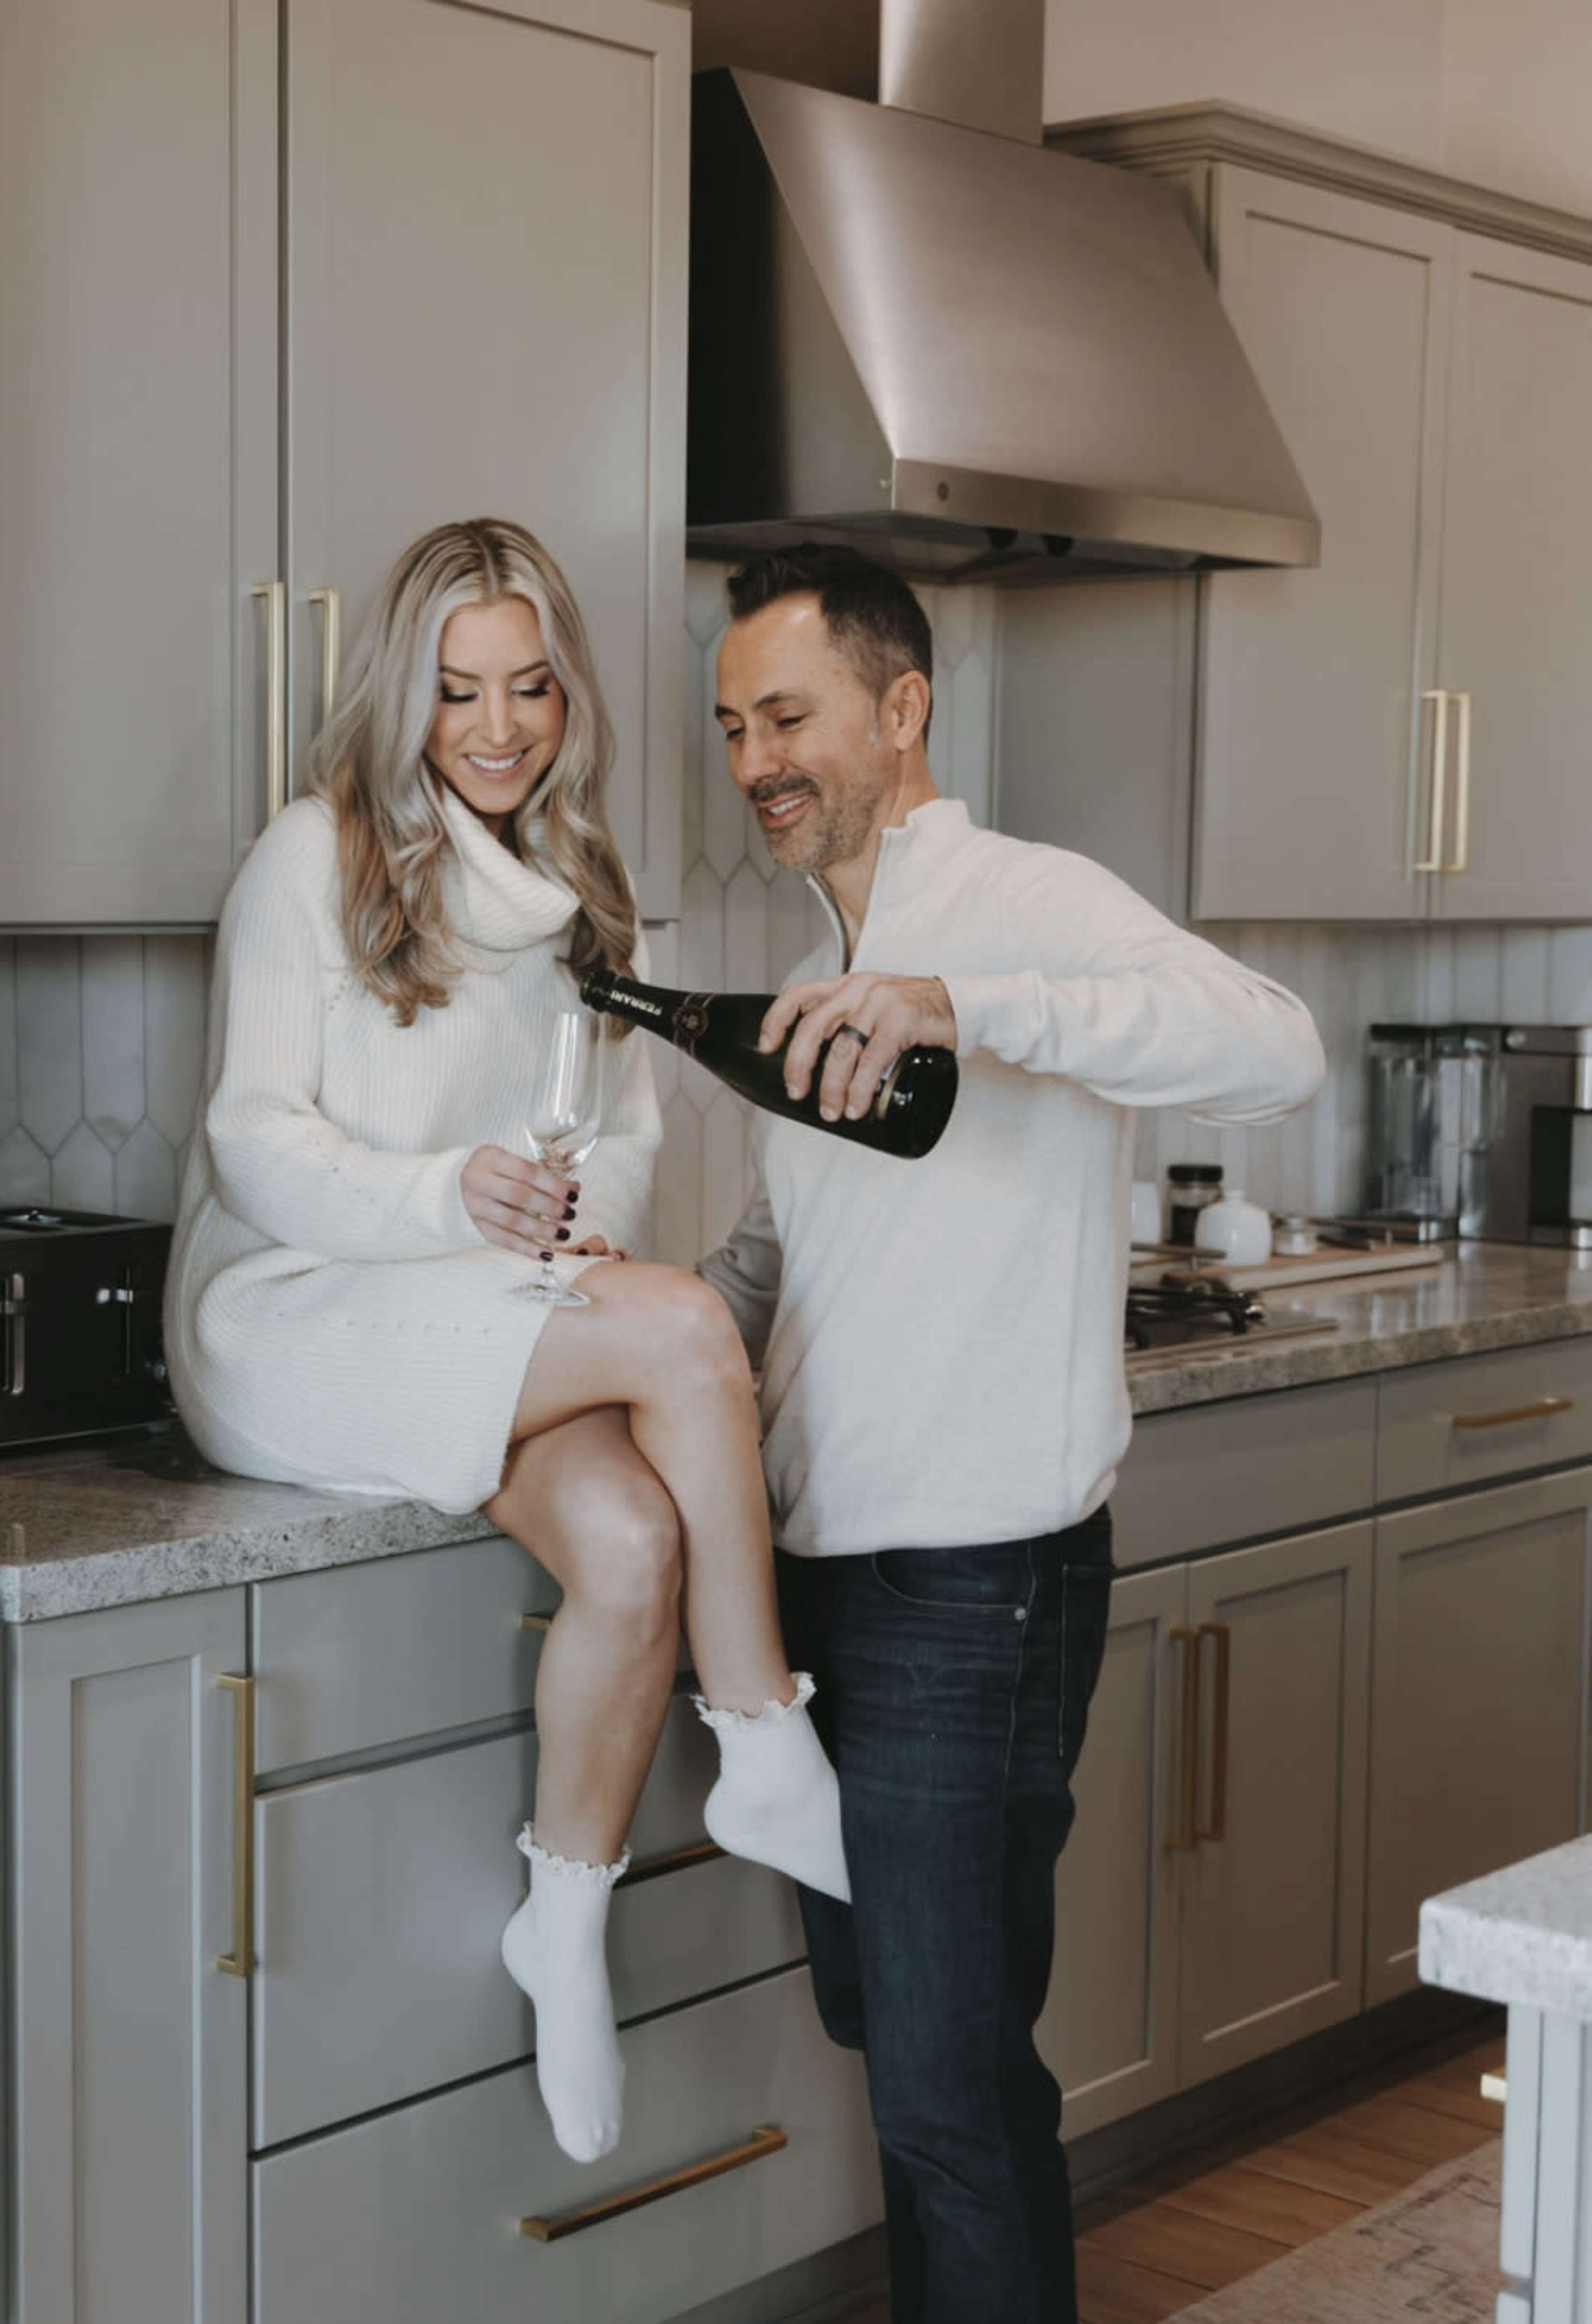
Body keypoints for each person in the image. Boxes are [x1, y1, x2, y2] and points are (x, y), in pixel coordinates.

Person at [162, 518, 849, 2168]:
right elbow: (253, 1141)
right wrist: (448, 1196)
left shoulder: (578, 883)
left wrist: (571, 1211)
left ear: (566, 695)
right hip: (290, 1307)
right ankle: (761, 1733)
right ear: (405, 694)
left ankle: (564, 1923)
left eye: (529, 686)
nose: (496, 725)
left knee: (628, 1537)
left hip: (478, 1296)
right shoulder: (309, 859)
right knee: (687, 1328)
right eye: (460, 690)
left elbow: (615, 1127)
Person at [695, 544, 1326, 2323]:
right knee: (904, 2047)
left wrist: (973, 1006)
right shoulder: (822, 952)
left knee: (951, 2087)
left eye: (791, 715)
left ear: (901, 712)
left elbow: (1279, 1051)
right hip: (824, 1591)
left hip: (977, 1594)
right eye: (736, 724)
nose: (757, 757)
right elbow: (780, 1259)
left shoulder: (1023, 902)